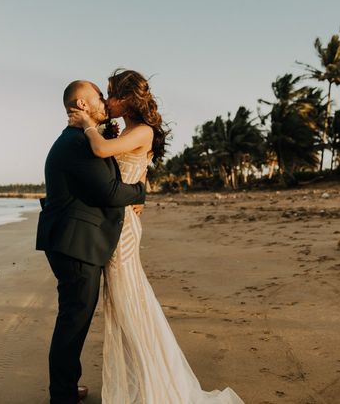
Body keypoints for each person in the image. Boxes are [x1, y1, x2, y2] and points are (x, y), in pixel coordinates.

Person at [68, 69, 245, 403]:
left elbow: (104, 152)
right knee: (123, 305)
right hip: (117, 222)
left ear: (127, 99)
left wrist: (87, 124)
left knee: (129, 303)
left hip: (123, 230)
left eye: (110, 95)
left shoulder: (143, 131)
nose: (106, 101)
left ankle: (154, 380)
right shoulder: (128, 129)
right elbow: (133, 170)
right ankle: (139, 376)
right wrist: (140, 190)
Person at [37, 79, 148, 404]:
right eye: (99, 97)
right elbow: (109, 192)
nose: (105, 103)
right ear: (82, 105)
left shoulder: (81, 139)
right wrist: (141, 191)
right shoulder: (76, 143)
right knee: (73, 321)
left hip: (76, 243)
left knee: (75, 318)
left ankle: (67, 388)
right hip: (75, 246)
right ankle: (62, 395)